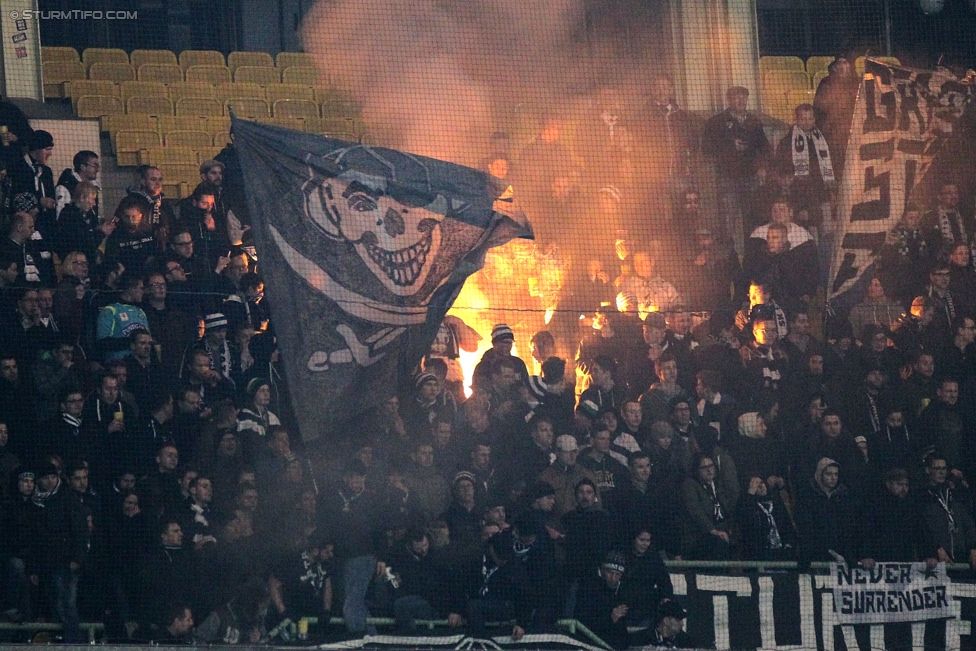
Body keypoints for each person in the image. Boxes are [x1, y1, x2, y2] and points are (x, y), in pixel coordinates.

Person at [702, 86, 770, 248]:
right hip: (728, 178)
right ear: (729, 100)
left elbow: (765, 148)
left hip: (750, 177)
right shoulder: (716, 122)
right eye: (736, 98)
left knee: (752, 220)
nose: (740, 101)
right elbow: (706, 148)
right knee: (727, 222)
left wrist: (762, 167)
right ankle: (727, 259)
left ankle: (752, 257)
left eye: (743, 98)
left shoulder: (754, 121)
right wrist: (729, 145)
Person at [773, 104, 836, 230]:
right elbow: (781, 169)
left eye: (810, 119)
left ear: (814, 119)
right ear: (796, 119)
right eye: (803, 119)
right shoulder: (786, 142)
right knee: (804, 231)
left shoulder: (822, 140)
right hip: (800, 197)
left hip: (822, 193)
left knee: (827, 230)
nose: (807, 122)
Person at [54, 150, 100, 219]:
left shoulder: (92, 186)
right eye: (95, 166)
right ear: (83, 167)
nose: (98, 169)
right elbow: (61, 219)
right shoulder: (65, 188)